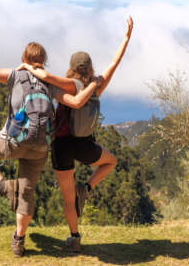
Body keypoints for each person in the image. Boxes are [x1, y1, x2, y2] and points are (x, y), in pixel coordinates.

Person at [0, 32, 103, 258]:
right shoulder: (50, 82)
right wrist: (93, 84)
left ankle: (4, 186)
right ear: (43, 61)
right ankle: (18, 241)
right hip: (40, 148)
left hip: (13, 142)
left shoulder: (14, 75)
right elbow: (75, 101)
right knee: (26, 193)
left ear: (24, 57)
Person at [18, 16, 134, 252]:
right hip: (85, 145)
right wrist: (126, 37)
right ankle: (87, 188)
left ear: (71, 68)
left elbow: (47, 78)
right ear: (90, 67)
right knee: (111, 161)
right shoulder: (96, 86)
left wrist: (28, 65)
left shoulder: (68, 85)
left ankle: (75, 239)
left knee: (68, 197)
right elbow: (115, 62)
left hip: (61, 146)